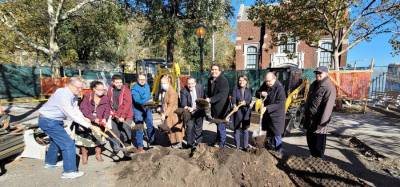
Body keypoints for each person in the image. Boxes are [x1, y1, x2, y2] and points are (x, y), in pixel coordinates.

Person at [38, 77, 101, 179]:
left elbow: (75, 109)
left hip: (55, 121)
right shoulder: (62, 94)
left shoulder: (73, 95)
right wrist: (89, 126)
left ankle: (50, 162)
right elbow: (70, 113)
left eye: (81, 88)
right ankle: (69, 171)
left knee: (56, 141)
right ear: (69, 85)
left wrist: (84, 118)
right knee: (68, 143)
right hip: (48, 121)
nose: (80, 90)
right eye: (78, 88)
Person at [304, 66, 336, 158]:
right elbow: (308, 100)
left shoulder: (329, 87)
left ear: (326, 74)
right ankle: (313, 157)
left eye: (320, 73)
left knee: (318, 146)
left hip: (319, 122)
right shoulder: (314, 84)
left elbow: (328, 108)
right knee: (310, 141)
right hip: (310, 119)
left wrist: (322, 124)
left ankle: (318, 161)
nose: (317, 75)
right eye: (316, 73)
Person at [75, 81, 110, 164]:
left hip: (99, 120)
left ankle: (98, 153)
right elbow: (84, 109)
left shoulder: (105, 98)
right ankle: (84, 154)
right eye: (99, 89)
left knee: (99, 137)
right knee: (84, 138)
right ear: (94, 89)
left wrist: (105, 118)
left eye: (103, 90)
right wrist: (93, 119)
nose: (101, 91)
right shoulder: (87, 96)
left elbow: (107, 110)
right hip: (87, 120)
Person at [256, 72, 286, 154]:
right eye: (266, 81)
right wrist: (261, 93)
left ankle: (279, 153)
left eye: (269, 81)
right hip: (267, 116)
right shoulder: (266, 84)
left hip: (276, 116)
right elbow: (257, 93)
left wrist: (267, 108)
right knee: (267, 135)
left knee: (277, 136)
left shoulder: (280, 89)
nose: (267, 83)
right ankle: (268, 153)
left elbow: (280, 104)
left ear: (274, 79)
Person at [107, 75, 133, 154]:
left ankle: (127, 150)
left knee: (125, 132)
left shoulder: (126, 90)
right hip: (114, 115)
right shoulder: (110, 90)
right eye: (117, 82)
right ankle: (116, 149)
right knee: (115, 132)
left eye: (121, 82)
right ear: (113, 82)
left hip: (126, 116)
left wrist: (122, 116)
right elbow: (108, 101)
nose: (119, 84)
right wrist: (110, 111)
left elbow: (127, 104)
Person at [206, 64, 230, 148]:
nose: (214, 71)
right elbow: (209, 92)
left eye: (216, 69)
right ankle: (218, 141)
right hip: (214, 108)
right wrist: (207, 98)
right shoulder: (210, 80)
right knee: (218, 125)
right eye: (212, 69)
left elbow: (222, 94)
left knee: (221, 127)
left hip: (222, 108)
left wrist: (211, 100)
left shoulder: (223, 80)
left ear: (219, 71)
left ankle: (222, 145)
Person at [131, 73, 155, 153]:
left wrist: (150, 101)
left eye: (144, 79)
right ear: (137, 80)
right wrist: (147, 101)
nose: (142, 81)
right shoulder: (134, 89)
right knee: (139, 127)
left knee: (150, 124)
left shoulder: (147, 86)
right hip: (138, 110)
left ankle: (151, 141)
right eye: (140, 79)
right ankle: (140, 146)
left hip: (147, 108)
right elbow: (137, 100)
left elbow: (149, 96)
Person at [159, 75, 184, 148]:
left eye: (163, 83)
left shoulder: (172, 92)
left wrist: (165, 114)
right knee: (171, 129)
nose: (162, 85)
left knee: (175, 129)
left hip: (173, 113)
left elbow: (171, 105)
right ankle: (174, 143)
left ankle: (179, 144)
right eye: (161, 83)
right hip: (169, 113)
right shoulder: (167, 90)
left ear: (168, 82)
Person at [180, 77, 205, 148]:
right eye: (188, 84)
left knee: (198, 129)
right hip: (189, 112)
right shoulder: (183, 91)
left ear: (195, 83)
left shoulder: (200, 88)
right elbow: (183, 104)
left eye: (192, 84)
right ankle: (189, 145)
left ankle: (198, 144)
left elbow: (203, 98)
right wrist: (189, 108)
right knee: (190, 128)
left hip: (199, 111)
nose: (190, 85)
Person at [231, 75, 252, 150]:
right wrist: (234, 105)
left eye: (243, 80)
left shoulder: (249, 90)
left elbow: (249, 101)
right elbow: (233, 99)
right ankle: (237, 146)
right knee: (236, 129)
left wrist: (245, 102)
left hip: (246, 112)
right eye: (240, 80)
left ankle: (245, 146)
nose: (241, 82)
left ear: (246, 81)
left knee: (245, 129)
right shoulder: (235, 89)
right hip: (237, 112)